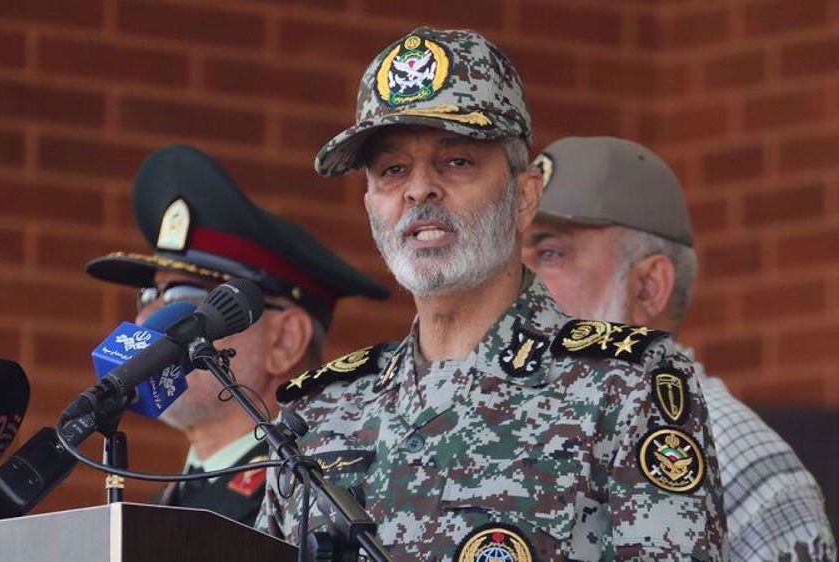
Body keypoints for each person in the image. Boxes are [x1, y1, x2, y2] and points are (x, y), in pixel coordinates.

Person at [257, 27, 727, 561]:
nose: (419, 189)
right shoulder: (319, 412)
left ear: (524, 197)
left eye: (456, 161)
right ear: (369, 205)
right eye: (392, 170)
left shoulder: (626, 384)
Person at [522, 135, 837, 562]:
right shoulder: (501, 428)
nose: (518, 281)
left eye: (551, 252)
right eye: (514, 256)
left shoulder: (737, 461)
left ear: (649, 288)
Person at [85, 144, 389, 526]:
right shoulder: (169, 502)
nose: (148, 316)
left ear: (284, 340)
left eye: (182, 297)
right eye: (148, 295)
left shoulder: (314, 498)